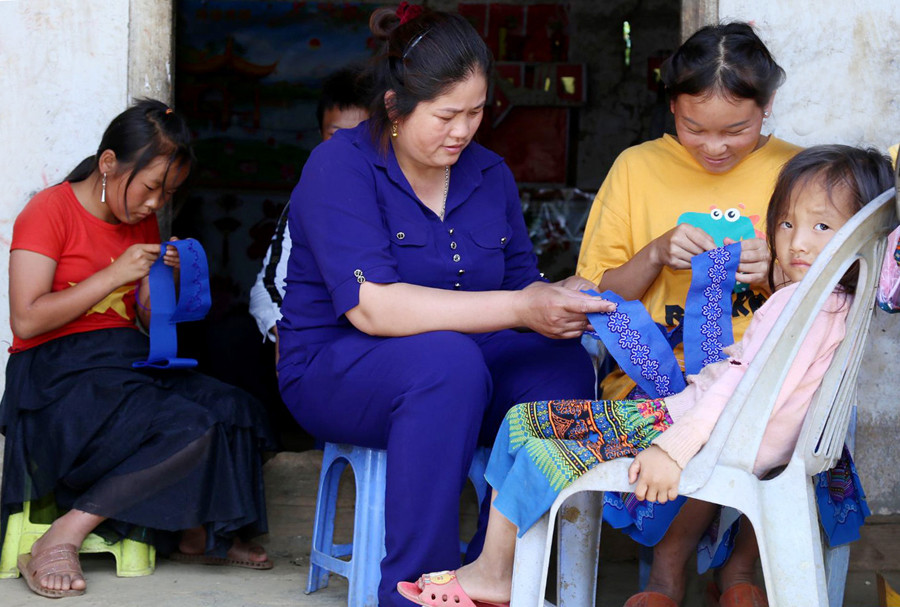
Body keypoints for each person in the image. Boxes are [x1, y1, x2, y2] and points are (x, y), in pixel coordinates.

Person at [397, 145, 893, 607]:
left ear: (857, 237)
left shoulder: (796, 307)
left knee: (540, 441)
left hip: (699, 431)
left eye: (823, 227)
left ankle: (494, 573)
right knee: (525, 422)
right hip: (700, 420)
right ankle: (495, 566)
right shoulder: (833, 303)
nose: (798, 243)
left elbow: (735, 388)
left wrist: (671, 449)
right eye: (785, 224)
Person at [275, 5, 614, 607]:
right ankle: (417, 588)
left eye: (477, 111)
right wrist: (520, 307)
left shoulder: (490, 174)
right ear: (394, 106)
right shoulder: (340, 166)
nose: (462, 130)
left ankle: (493, 571)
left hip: (465, 373)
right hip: (337, 369)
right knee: (446, 364)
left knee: (561, 368)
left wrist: (556, 306)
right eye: (446, 114)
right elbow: (373, 310)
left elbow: (517, 286)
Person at [0, 99, 278, 599]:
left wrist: (158, 284)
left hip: (123, 362)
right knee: (188, 426)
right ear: (109, 164)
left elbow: (145, 321)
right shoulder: (49, 210)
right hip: (56, 377)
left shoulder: (141, 223)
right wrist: (113, 274)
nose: (155, 204)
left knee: (236, 408)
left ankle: (200, 535)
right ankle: (62, 535)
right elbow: (26, 317)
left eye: (167, 194)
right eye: (151, 188)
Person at [574, 22, 801, 606]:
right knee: (706, 410)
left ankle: (738, 569)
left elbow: (835, 288)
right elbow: (595, 291)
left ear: (768, 105)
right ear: (672, 108)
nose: (715, 147)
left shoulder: (799, 173)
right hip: (654, 372)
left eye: (738, 130)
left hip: (767, 373)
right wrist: (654, 253)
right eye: (693, 127)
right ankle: (672, 573)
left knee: (766, 405)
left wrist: (774, 271)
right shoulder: (636, 168)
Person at [249, 66, 370, 348]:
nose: (349, 148)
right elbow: (268, 288)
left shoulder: (402, 197)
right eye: (336, 135)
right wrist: (284, 334)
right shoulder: (309, 199)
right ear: (319, 134)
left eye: (362, 136)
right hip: (318, 343)